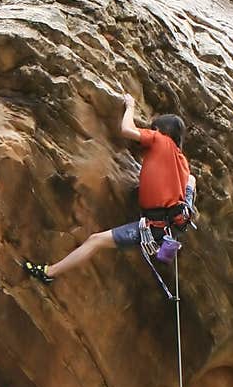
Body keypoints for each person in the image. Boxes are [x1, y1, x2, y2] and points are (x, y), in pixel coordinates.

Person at [23, 93, 196, 284]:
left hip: (151, 226)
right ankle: (166, 246)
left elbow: (126, 129)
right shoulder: (182, 162)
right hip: (166, 227)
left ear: (161, 130)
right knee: (192, 181)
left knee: (95, 240)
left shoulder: (160, 140)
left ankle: (49, 272)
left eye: (153, 129)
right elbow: (179, 182)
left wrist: (130, 106)